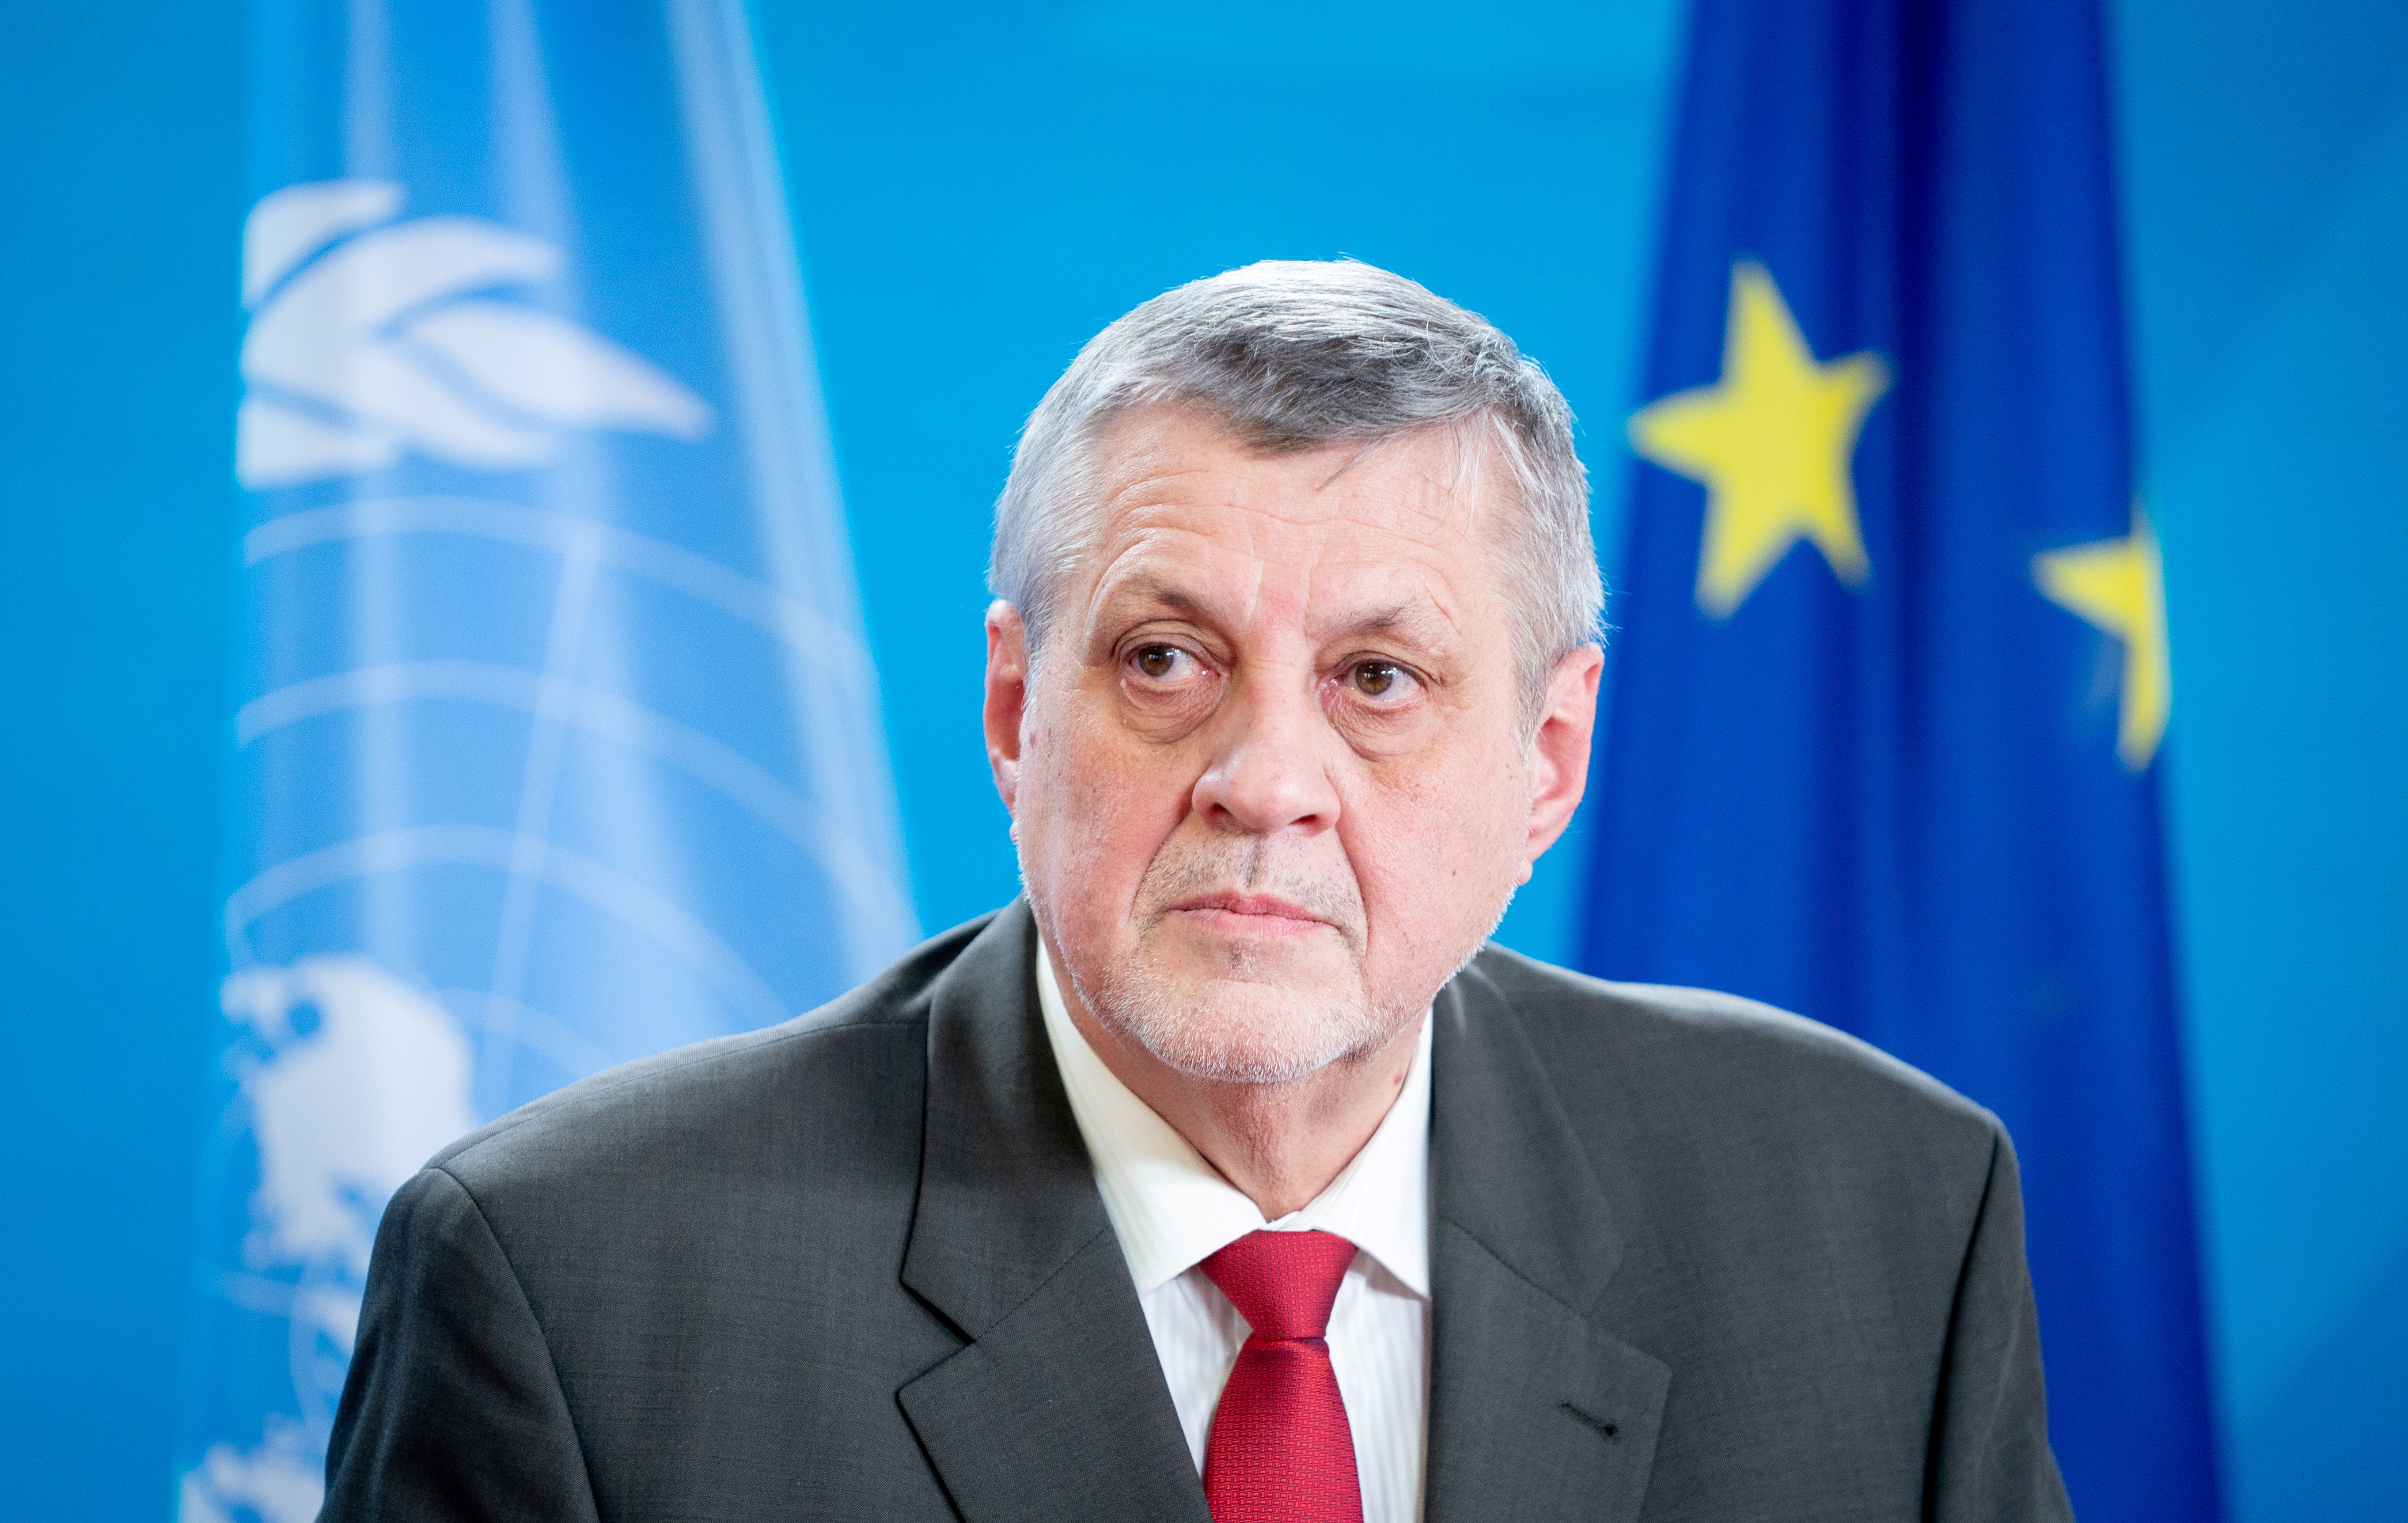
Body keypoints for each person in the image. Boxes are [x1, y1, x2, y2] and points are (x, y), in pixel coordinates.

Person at [324, 260, 2071, 1522]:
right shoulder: (569, 1289)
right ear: (1017, 712)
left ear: (1545, 759)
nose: (1265, 778)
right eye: (1168, 658)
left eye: (1380, 677)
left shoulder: (1885, 1226)